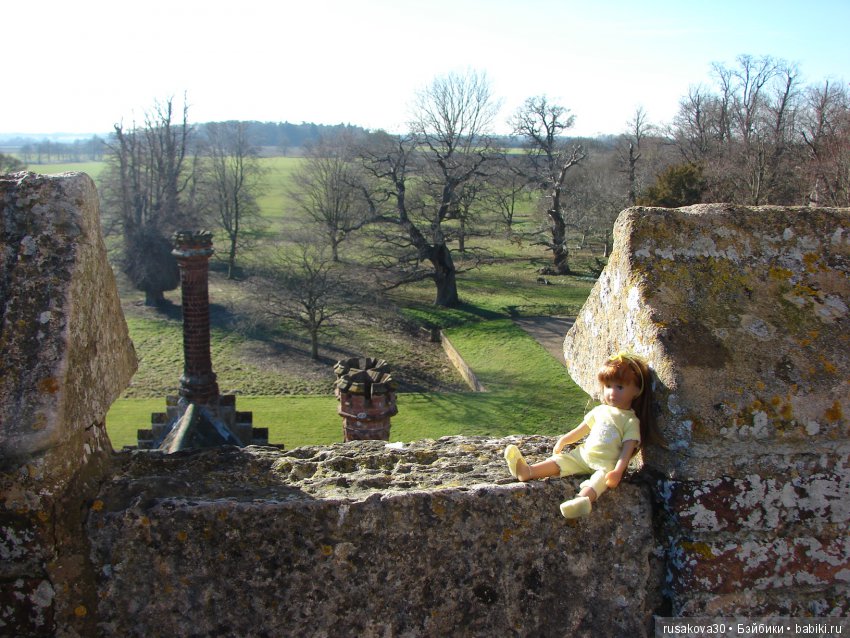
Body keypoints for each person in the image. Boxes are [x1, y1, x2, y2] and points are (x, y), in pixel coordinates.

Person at [504, 352, 662, 519]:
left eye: (620, 387)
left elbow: (626, 451)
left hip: (606, 464)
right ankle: (528, 471)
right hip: (584, 455)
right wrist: (564, 440)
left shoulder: (630, 421)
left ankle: (582, 500)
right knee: (560, 461)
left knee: (599, 480)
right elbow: (581, 430)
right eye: (608, 386)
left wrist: (618, 471)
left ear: (636, 390)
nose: (612, 393)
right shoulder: (600, 410)